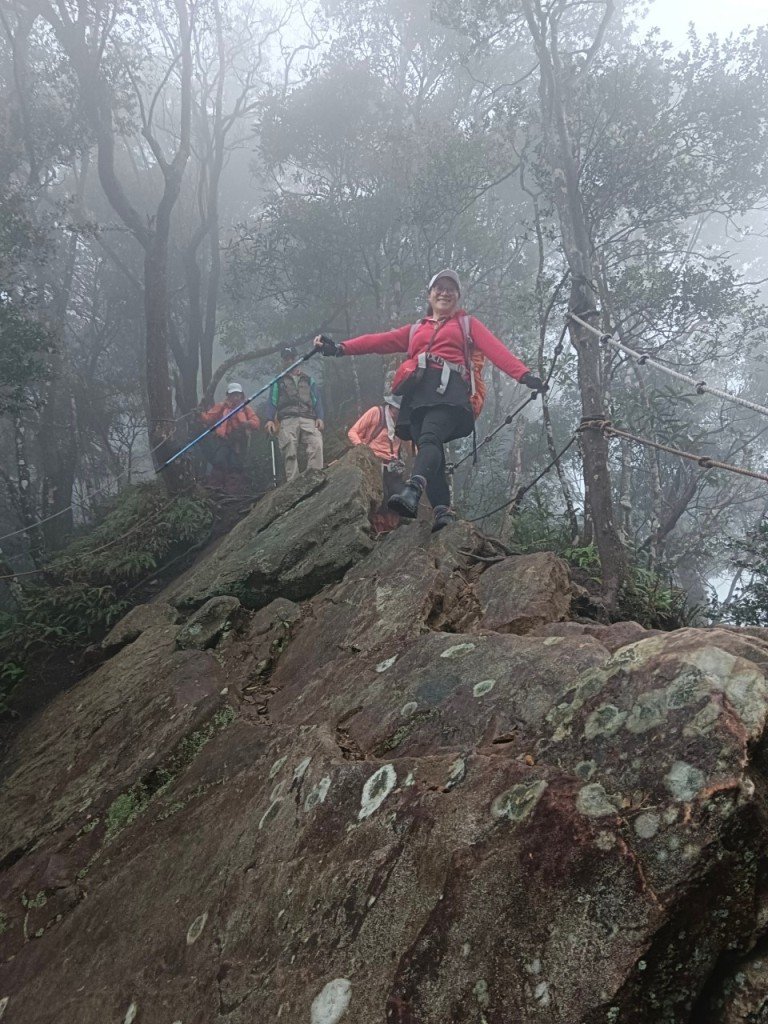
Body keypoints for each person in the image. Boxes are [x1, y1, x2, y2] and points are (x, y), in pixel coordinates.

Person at [314, 269, 545, 531]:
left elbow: (495, 349)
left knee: (430, 439)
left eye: (451, 289)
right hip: (417, 396)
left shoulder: (467, 324)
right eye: (439, 287)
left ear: (457, 296)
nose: (445, 292)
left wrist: (523, 375)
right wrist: (340, 349)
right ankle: (442, 512)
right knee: (429, 447)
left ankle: (413, 490)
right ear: (430, 294)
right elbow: (379, 341)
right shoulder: (416, 330)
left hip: (451, 394)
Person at [265, 346, 325, 482]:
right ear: (283, 360)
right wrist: (269, 419)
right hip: (287, 418)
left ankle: (314, 478)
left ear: (297, 359)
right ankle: (293, 482)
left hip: (308, 417)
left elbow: (317, 400)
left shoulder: (308, 380)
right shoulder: (278, 380)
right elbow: (272, 401)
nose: (290, 360)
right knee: (289, 447)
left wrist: (320, 417)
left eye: (292, 357)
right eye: (286, 358)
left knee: (316, 443)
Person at [348, 394, 406, 533]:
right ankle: (378, 526)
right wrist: (364, 451)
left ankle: (392, 525)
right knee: (381, 495)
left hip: (393, 466)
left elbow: (411, 443)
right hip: (373, 462)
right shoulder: (376, 413)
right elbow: (353, 432)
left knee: (399, 494)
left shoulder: (404, 422)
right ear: (391, 406)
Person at [200, 382, 260, 494]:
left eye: (238, 395)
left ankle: (232, 492)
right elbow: (209, 418)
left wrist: (247, 423)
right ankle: (215, 489)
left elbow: (256, 422)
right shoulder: (222, 407)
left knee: (235, 466)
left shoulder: (246, 408)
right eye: (233, 395)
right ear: (228, 396)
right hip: (223, 440)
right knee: (219, 462)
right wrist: (200, 414)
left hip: (238, 443)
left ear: (242, 395)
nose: (236, 397)